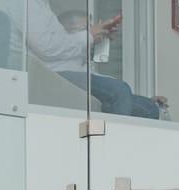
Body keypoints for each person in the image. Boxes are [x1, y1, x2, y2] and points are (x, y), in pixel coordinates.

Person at [18, 3, 163, 119]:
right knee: (120, 89)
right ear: (67, 30)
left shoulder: (44, 7)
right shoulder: (30, 4)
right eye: (84, 28)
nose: (88, 31)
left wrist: (99, 38)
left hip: (70, 73)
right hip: (54, 74)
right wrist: (89, 36)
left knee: (150, 108)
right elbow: (48, 47)